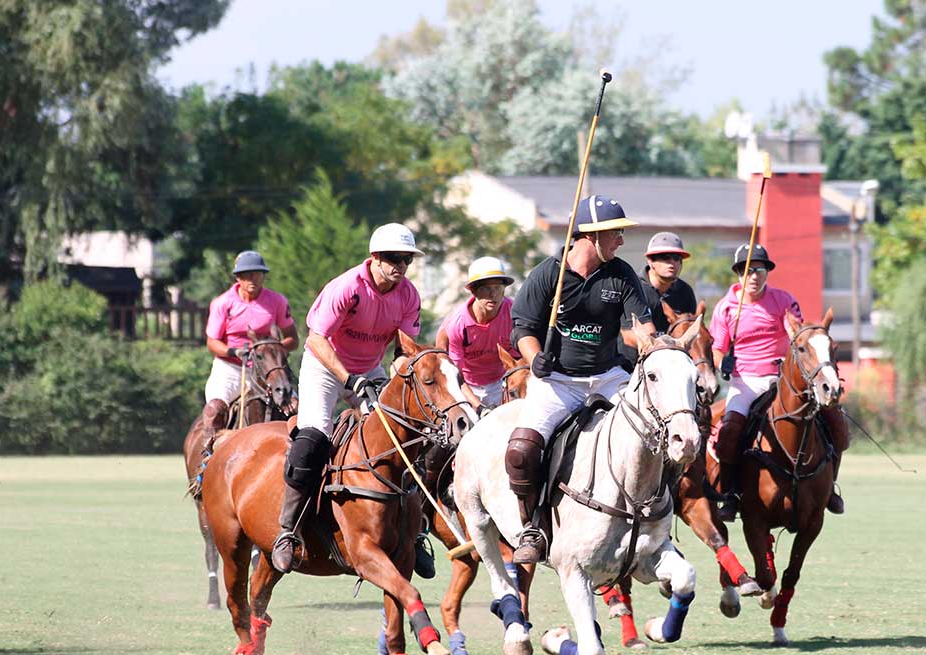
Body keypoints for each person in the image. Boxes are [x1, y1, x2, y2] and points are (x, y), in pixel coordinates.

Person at [506, 195, 656, 564]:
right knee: (521, 451)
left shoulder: (620, 274)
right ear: (590, 235)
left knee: (657, 432)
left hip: (608, 377)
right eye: (615, 233)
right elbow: (523, 328)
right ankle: (532, 526)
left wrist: (656, 345)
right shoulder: (548, 274)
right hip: (558, 382)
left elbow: (643, 326)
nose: (620, 240)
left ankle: (656, 520)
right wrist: (533, 357)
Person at [270, 223, 427, 575]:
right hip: (326, 367)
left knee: (405, 440)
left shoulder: (408, 295)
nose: (400, 266)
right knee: (313, 439)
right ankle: (288, 531)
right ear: (374, 258)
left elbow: (404, 349)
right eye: (393, 259)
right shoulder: (347, 288)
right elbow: (317, 339)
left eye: (406, 260)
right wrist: (349, 379)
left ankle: (415, 534)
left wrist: (393, 376)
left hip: (370, 370)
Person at [709, 243, 849, 522]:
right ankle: (730, 494)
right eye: (748, 270)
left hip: (783, 377)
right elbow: (716, 349)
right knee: (730, 432)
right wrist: (722, 361)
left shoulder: (783, 300)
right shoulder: (726, 309)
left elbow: (799, 334)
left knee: (835, 422)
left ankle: (829, 486)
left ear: (766, 273)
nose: (754, 277)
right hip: (746, 380)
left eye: (759, 270)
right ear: (738, 273)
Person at [200, 251, 298, 448]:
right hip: (232, 368)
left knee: (299, 409)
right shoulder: (223, 303)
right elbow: (212, 342)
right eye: (247, 274)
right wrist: (233, 352)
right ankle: (206, 462)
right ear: (238, 277)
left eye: (257, 273)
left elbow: (292, 339)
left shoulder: (277, 301)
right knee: (214, 408)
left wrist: (275, 349)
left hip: (269, 370)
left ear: (263, 276)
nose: (252, 279)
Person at [436, 257, 521, 408]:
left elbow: (519, 361)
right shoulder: (458, 324)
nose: (493, 294)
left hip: (501, 383)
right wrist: (479, 408)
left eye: (498, 288)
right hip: (467, 387)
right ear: (473, 291)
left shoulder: (514, 313)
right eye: (486, 288)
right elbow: (457, 376)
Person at [619, 231, 698, 360]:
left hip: (669, 367)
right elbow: (627, 335)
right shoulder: (633, 287)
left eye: (677, 258)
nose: (672, 263)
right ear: (650, 261)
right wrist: (662, 348)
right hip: (630, 366)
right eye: (665, 257)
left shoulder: (685, 292)